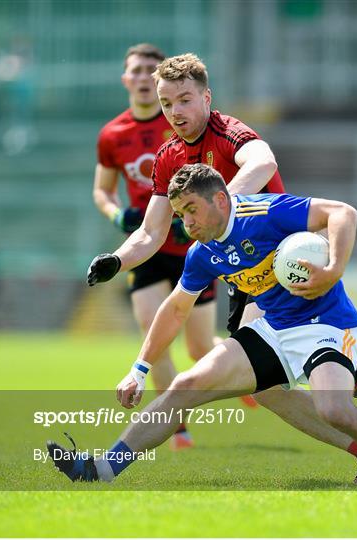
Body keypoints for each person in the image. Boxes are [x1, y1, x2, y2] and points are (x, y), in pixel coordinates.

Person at [48, 164, 357, 489]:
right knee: (183, 387)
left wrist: (332, 269)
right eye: (179, 214)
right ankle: (99, 470)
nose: (186, 223)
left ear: (220, 199)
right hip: (272, 330)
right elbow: (175, 309)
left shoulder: (267, 213)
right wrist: (139, 369)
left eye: (191, 210)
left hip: (327, 324)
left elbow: (343, 212)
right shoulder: (202, 252)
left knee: (333, 408)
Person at [87, 52, 357, 481]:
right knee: (270, 391)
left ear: (206, 97)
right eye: (167, 103)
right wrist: (117, 260)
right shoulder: (168, 157)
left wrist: (222, 215)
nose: (175, 112)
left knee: (267, 381)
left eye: (184, 100)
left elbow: (263, 162)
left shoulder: (230, 131)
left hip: (279, 264)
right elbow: (151, 232)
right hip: (244, 273)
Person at [92, 43, 217, 450]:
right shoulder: (113, 134)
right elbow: (102, 191)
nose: (144, 77)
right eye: (136, 70)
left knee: (200, 346)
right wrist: (117, 217)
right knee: (153, 328)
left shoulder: (183, 125)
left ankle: (236, 362)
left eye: (151, 69)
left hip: (191, 248)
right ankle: (177, 425)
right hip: (147, 244)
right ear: (126, 79)